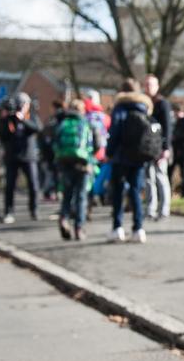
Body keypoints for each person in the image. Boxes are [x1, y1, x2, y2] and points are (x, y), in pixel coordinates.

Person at [106, 78, 156, 243]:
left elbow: (115, 131)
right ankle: (138, 229)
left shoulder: (120, 108)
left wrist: (109, 151)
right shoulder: (144, 108)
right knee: (135, 191)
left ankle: (117, 228)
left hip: (121, 156)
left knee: (119, 192)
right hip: (139, 156)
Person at [53, 99, 100, 241]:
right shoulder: (86, 124)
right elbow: (97, 144)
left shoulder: (62, 124)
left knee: (67, 195)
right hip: (83, 164)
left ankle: (64, 218)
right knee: (81, 197)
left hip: (65, 163)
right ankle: (79, 228)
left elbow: (54, 143)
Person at [0, 92, 42, 224]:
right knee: (10, 186)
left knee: (34, 185)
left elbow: (38, 129)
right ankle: (8, 211)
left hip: (29, 156)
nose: (22, 107)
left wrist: (23, 119)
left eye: (25, 104)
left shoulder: (31, 117)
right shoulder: (9, 118)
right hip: (12, 156)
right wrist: (6, 118)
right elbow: (2, 136)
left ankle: (34, 210)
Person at [143, 74, 173, 221]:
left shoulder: (162, 104)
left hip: (159, 147)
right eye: (146, 84)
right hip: (147, 148)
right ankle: (151, 208)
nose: (149, 87)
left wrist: (166, 147)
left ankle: (164, 208)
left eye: (151, 84)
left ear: (157, 86)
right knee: (149, 179)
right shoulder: (144, 104)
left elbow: (168, 127)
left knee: (161, 177)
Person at [39, 100, 65, 201]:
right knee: (56, 174)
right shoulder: (63, 119)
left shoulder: (53, 121)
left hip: (52, 152)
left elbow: (44, 136)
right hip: (59, 151)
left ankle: (50, 192)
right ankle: (55, 192)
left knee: (52, 174)